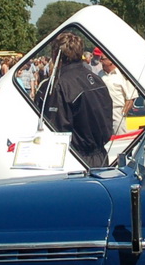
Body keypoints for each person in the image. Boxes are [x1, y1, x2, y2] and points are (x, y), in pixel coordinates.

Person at [41, 32, 114, 168]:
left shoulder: (60, 84)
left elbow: (56, 129)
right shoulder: (96, 79)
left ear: (56, 55)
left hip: (75, 159)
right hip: (101, 157)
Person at [96, 49, 136, 136]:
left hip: (117, 111)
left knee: (120, 139)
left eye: (102, 59)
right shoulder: (100, 74)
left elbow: (131, 98)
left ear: (110, 60)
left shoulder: (122, 75)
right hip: (103, 112)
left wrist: (122, 114)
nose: (100, 61)